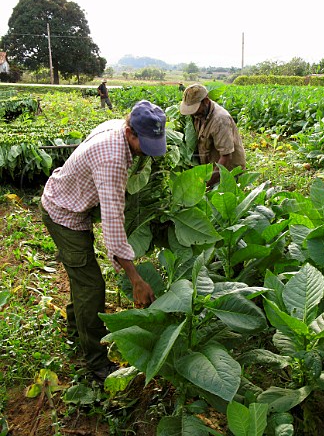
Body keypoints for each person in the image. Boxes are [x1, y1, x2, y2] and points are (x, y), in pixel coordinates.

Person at [40, 100, 167, 381]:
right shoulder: (112, 160)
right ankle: (96, 363)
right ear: (131, 132)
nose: (147, 151)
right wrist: (136, 280)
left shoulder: (115, 128)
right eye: (144, 143)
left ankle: (76, 332)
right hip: (63, 214)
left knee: (81, 278)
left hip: (68, 203)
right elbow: (112, 225)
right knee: (92, 286)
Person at [180, 84, 246, 188]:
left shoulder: (220, 120)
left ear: (206, 101)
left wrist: (206, 184)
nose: (194, 114)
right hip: (212, 168)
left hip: (228, 172)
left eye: (196, 109)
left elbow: (226, 157)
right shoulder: (200, 114)